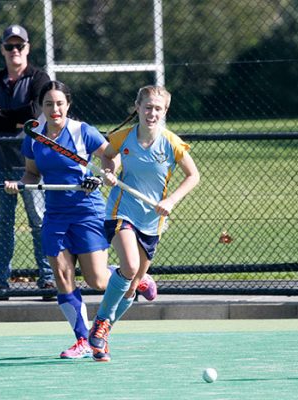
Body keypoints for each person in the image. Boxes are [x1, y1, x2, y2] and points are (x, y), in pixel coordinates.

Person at [4, 80, 156, 359]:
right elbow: (32, 174)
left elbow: (111, 159)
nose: (54, 109)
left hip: (88, 212)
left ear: (68, 105)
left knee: (97, 280)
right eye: (48, 104)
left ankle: (135, 277)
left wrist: (99, 177)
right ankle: (83, 340)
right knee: (63, 277)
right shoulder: (34, 135)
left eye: (59, 103)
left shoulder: (82, 131)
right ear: (41, 107)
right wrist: (19, 184)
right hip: (56, 216)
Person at [88, 85, 201, 362]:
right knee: (130, 267)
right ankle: (101, 320)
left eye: (158, 109)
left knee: (132, 283)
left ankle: (103, 335)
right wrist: (109, 172)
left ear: (165, 112)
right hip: (121, 210)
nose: (152, 113)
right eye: (147, 107)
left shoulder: (172, 143)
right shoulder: (124, 137)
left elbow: (193, 176)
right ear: (137, 107)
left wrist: (171, 201)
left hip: (153, 220)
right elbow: (106, 156)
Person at [0, 24, 54, 299]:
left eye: (19, 46)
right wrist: (15, 118)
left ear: (27, 48)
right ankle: (0, 282)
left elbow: (35, 112)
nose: (14, 51)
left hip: (32, 163)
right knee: (2, 225)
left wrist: (2, 114)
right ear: (2, 50)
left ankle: (47, 279)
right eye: (9, 46)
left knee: (40, 222)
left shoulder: (38, 78)